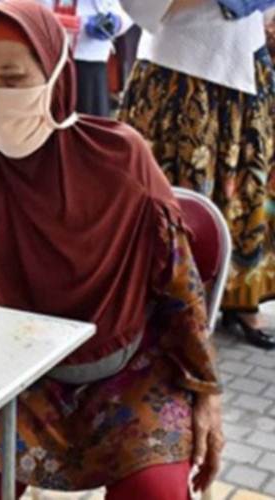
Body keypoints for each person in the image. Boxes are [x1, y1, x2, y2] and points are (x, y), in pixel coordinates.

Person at [0, 3, 223, 498]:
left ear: (56, 74)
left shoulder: (120, 157)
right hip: (18, 378)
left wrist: (205, 392)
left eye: (12, 78)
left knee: (157, 492)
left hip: (130, 374)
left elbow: (180, 284)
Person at [118, 0, 275, 349]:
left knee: (246, 190)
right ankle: (172, 301)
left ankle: (240, 299)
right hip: (179, 71)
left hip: (247, 61)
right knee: (178, 193)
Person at [37, 0, 133, 116]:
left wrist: (117, 22)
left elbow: (132, 8)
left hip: (89, 55)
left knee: (88, 123)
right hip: (41, 52)